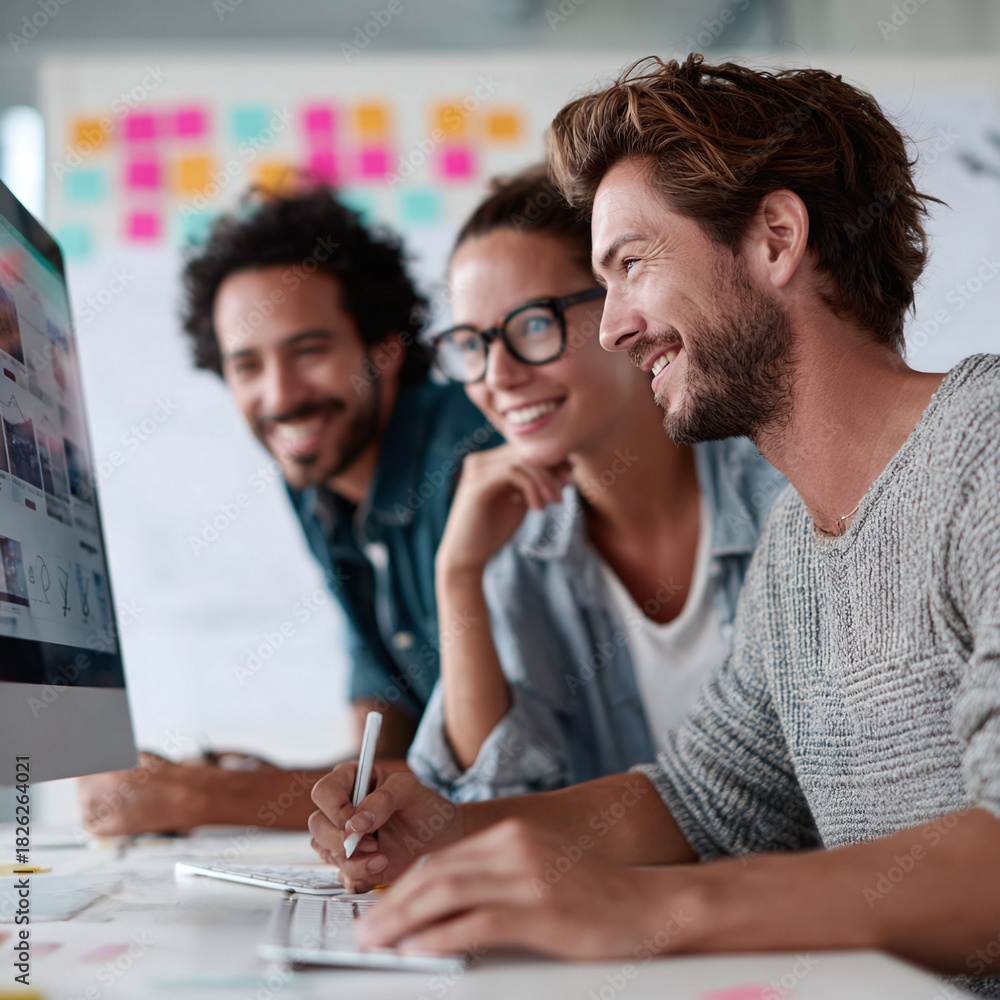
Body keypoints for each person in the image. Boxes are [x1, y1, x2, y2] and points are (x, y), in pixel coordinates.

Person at [308, 56, 1000, 993]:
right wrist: (448, 829)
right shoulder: (797, 548)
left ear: (776, 239)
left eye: (633, 265)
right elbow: (699, 802)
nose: (611, 329)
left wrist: (642, 912)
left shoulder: (984, 455)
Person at [77, 187, 497, 835]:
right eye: (246, 365)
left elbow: (492, 779)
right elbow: (386, 732)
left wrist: (197, 796)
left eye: (309, 352)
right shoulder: (318, 476)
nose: (281, 397)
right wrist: (269, 788)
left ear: (385, 348)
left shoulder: (471, 460)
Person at [407, 167, 785, 800]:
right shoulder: (520, 550)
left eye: (532, 324)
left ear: (622, 309)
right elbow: (490, 802)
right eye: (472, 343)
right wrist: (458, 576)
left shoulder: (781, 495)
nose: (497, 376)